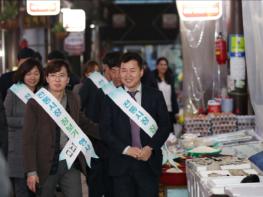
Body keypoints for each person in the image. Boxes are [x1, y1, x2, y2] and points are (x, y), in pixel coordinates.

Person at [22, 59, 100, 197]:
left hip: (70, 160)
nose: (57, 79)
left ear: (68, 79)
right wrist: (31, 172)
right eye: (53, 75)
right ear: (46, 78)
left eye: (61, 75)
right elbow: (28, 140)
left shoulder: (74, 98)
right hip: (45, 164)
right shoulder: (35, 102)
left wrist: (109, 132)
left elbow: (83, 122)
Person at [100, 52, 170, 197]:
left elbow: (165, 127)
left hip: (148, 163)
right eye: (123, 70)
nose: (127, 75)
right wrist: (126, 149)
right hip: (121, 165)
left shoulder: (155, 96)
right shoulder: (111, 98)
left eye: (132, 70)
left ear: (141, 72)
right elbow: (105, 131)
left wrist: (150, 147)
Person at [79, 51, 122, 197]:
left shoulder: (121, 87)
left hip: (115, 145)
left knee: (113, 185)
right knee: (96, 184)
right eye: (114, 70)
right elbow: (78, 108)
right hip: (96, 142)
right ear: (106, 68)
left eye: (120, 70)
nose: (118, 75)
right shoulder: (92, 82)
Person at [4, 58, 44, 197]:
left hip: (39, 150)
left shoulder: (44, 94)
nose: (32, 77)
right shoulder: (14, 92)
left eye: (36, 73)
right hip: (18, 150)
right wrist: (28, 122)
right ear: (22, 74)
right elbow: (4, 119)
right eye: (28, 74)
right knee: (21, 191)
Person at [153, 57, 179, 132]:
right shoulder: (152, 78)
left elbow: (173, 96)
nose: (163, 66)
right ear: (157, 66)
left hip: (169, 110)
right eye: (161, 64)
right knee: (160, 132)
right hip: (158, 110)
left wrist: (176, 111)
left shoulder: (170, 78)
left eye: (165, 65)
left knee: (170, 132)